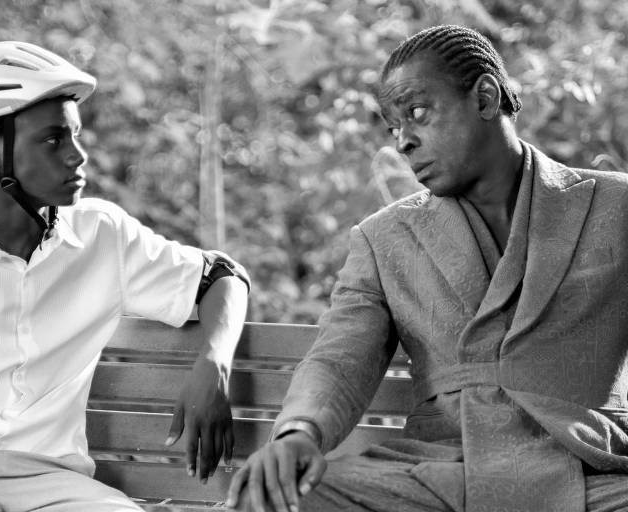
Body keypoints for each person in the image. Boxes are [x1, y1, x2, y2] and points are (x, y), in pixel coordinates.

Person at [226, 24, 628, 512]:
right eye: (393, 127)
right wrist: (298, 432)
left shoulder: (615, 204)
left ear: (485, 98)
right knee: (273, 499)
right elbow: (339, 356)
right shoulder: (383, 238)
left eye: (417, 113)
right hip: (439, 473)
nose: (403, 142)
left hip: (586, 469)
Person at [0, 41, 249, 511]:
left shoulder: (104, 234)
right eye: (53, 140)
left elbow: (221, 276)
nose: (77, 156)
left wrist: (214, 364)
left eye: (75, 136)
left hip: (47, 482)